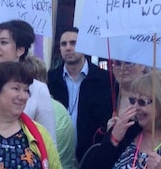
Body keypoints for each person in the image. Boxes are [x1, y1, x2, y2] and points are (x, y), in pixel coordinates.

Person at [47, 26, 113, 160]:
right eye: (63, 44)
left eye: (73, 43)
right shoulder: (50, 79)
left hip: (90, 157)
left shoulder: (105, 80)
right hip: (57, 155)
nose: (68, 48)